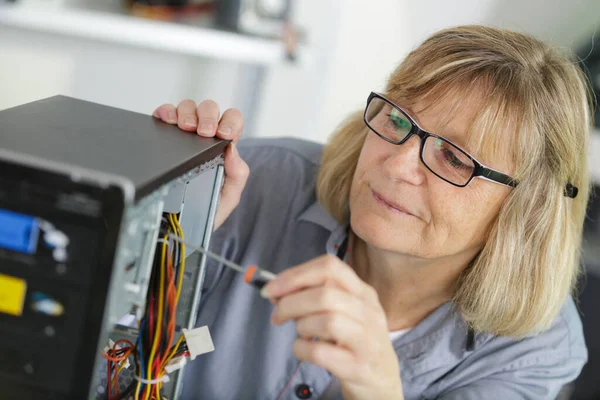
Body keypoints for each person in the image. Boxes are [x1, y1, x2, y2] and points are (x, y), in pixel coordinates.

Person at [153, 25, 590, 399]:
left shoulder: (535, 350)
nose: (397, 166)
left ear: (529, 207)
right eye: (398, 121)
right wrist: (162, 224)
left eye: (454, 158)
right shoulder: (251, 181)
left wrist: (377, 388)